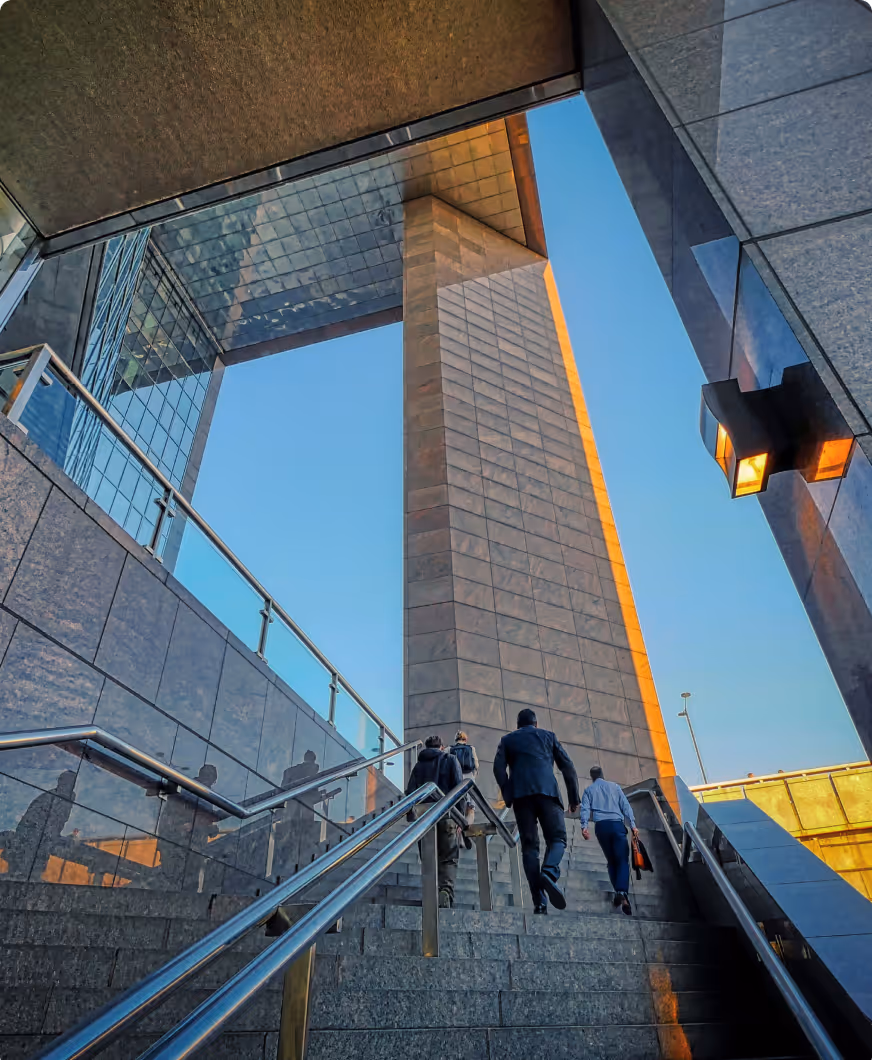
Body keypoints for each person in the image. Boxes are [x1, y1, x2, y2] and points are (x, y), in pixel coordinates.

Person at [493, 709, 579, 914]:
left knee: (530, 847)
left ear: (517, 725)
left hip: (522, 797)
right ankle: (549, 871)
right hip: (548, 792)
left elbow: (498, 769)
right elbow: (568, 767)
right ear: (536, 723)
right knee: (558, 838)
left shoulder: (507, 740)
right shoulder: (548, 736)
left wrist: (508, 794)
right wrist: (574, 798)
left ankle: (539, 902)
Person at [405, 734, 463, 908]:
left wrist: (412, 818)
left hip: (424, 819)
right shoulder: (450, 759)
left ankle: (431, 892)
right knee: (448, 858)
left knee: (429, 858)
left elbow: (410, 792)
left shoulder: (418, 766)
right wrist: (460, 818)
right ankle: (445, 891)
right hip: (447, 816)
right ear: (442, 747)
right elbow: (459, 787)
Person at [579, 764, 639, 916]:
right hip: (617, 826)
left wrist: (584, 826)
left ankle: (620, 895)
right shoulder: (615, 787)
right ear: (602, 774)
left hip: (601, 828)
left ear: (592, 777)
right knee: (622, 861)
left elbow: (585, 808)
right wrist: (633, 825)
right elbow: (625, 806)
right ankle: (621, 892)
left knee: (611, 862)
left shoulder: (589, 790)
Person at [449, 730, 479, 843]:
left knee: (458, 808)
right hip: (469, 779)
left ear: (455, 739)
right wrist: (473, 776)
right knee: (470, 808)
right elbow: (476, 765)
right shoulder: (471, 748)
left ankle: (458, 838)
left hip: (456, 781)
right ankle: (466, 832)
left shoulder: (449, 749)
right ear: (465, 739)